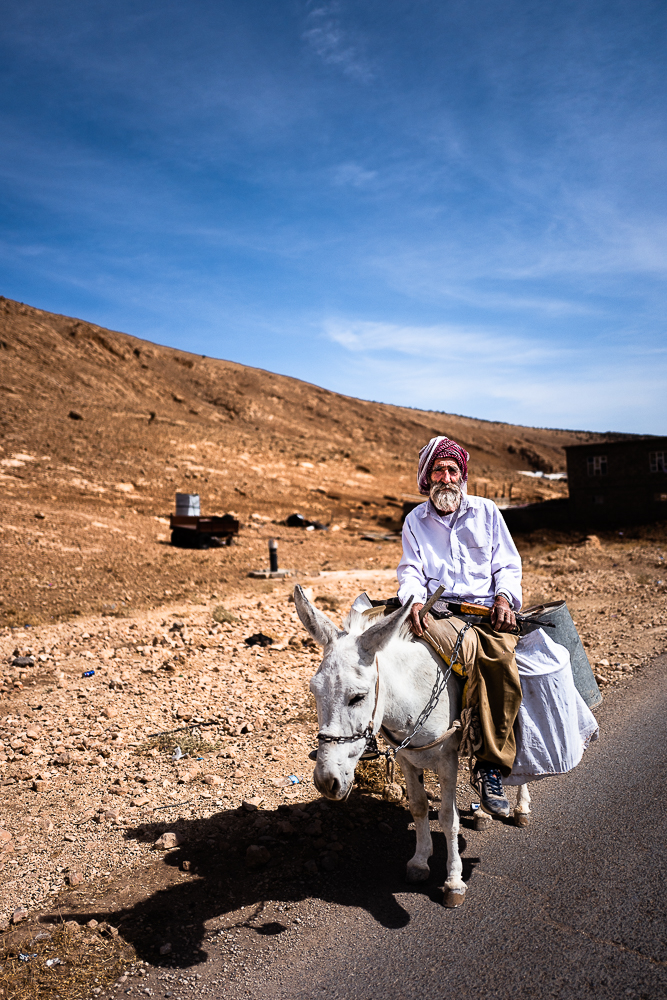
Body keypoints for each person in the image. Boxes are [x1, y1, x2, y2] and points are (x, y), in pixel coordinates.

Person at [397, 435, 599, 817]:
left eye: (452, 470)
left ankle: (491, 767)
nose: (446, 477)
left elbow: (507, 565)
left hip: (489, 612)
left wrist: (505, 598)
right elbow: (410, 570)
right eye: (438, 470)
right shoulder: (415, 522)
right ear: (427, 478)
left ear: (462, 476)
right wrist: (416, 602)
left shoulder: (487, 512)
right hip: (439, 612)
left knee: (502, 662)